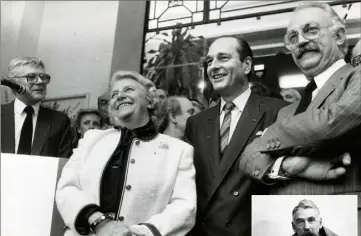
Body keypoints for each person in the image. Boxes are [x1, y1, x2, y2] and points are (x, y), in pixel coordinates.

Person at [239, 0, 361, 215]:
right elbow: (247, 160)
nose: (301, 41)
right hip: (281, 220)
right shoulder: (287, 111)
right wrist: (287, 165)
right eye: (293, 37)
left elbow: (330, 122)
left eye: (311, 30)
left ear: (340, 36)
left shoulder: (355, 77)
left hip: (339, 217)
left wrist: (268, 135)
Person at [56, 70, 196, 236]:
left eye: (128, 90)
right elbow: (67, 188)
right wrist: (98, 222)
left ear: (150, 101)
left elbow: (184, 206)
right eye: (114, 94)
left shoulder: (178, 150)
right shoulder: (92, 139)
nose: (120, 96)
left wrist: (140, 233)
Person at [184, 36, 289, 236]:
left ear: (247, 65)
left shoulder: (277, 111)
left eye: (223, 58)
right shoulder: (195, 123)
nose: (213, 66)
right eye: (209, 61)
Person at [1, 57, 73, 158]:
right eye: (31, 77)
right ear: (13, 82)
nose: (40, 81)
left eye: (43, 77)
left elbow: (64, 164)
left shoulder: (59, 121)